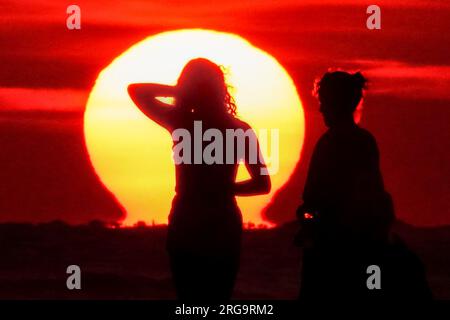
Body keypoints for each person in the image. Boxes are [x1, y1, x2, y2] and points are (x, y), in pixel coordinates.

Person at [128, 58, 271, 300]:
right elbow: (261, 184)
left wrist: (182, 91)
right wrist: (227, 189)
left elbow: (138, 91)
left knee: (191, 295)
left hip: (200, 217)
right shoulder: (234, 128)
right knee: (216, 295)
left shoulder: (182, 122)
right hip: (209, 218)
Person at [296, 71, 396, 299]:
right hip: (362, 244)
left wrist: (309, 223)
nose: (320, 109)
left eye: (323, 103)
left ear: (334, 103)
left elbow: (314, 197)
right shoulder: (365, 141)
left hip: (331, 247)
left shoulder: (330, 142)